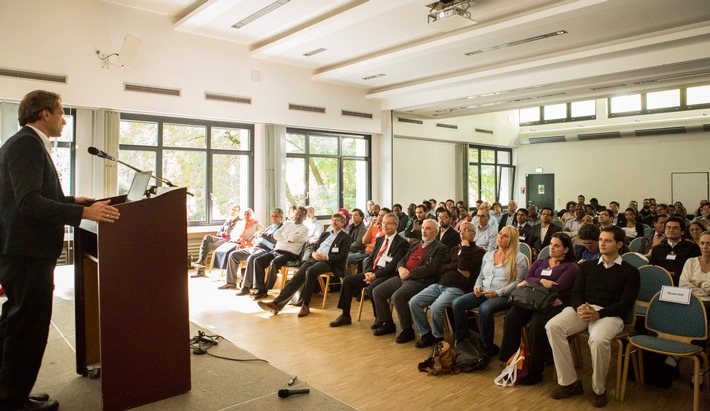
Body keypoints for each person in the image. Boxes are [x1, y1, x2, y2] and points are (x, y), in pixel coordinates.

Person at [0, 90, 121, 411]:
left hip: (22, 250)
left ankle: (10, 393)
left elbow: (32, 198)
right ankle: (13, 401)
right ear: (43, 114)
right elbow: (28, 203)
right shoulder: (26, 144)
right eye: (61, 112)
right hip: (27, 252)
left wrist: (73, 201)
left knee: (16, 321)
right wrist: (84, 213)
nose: (64, 120)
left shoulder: (24, 142)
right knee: (28, 326)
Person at [545, 226, 640, 408]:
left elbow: (625, 303)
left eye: (608, 240)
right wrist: (580, 307)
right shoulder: (587, 266)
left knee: (597, 340)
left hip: (610, 313)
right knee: (553, 326)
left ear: (619, 244)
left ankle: (598, 389)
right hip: (585, 309)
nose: (602, 243)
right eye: (601, 240)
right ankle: (569, 382)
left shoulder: (630, 271)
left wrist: (599, 313)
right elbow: (576, 293)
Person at [499, 233, 578, 385]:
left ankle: (536, 371)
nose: (552, 248)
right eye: (551, 244)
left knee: (536, 325)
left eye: (557, 245)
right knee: (511, 317)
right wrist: (541, 280)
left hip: (554, 303)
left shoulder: (571, 267)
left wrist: (536, 282)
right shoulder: (541, 261)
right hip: (532, 300)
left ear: (566, 249)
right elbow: (528, 278)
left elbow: (558, 287)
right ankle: (510, 362)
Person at [451, 226, 528, 355]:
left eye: (505, 236)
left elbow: (519, 282)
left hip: (504, 295)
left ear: (512, 240)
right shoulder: (489, 254)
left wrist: (498, 293)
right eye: (500, 234)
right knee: (457, 303)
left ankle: (487, 347)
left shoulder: (518, 257)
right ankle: (463, 342)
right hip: (484, 291)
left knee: (484, 309)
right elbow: (481, 276)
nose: (500, 237)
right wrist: (477, 286)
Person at [257, 213, 351, 317]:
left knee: (310, 271)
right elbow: (314, 247)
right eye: (333, 220)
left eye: (337, 220)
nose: (334, 222)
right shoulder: (325, 234)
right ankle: (276, 304)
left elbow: (342, 257)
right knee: (297, 276)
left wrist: (326, 257)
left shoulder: (345, 237)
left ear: (342, 223)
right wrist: (313, 253)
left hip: (330, 263)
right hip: (314, 259)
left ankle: (305, 305)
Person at [370, 219, 448, 343]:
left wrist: (410, 273)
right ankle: (388, 323)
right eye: (423, 228)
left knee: (397, 297)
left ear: (436, 232)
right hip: (403, 276)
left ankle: (407, 330)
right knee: (377, 291)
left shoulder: (441, 248)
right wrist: (401, 268)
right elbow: (402, 259)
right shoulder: (415, 244)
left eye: (428, 228)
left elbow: (432, 268)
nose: (424, 231)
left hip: (420, 280)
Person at [409, 222, 485, 348]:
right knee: (414, 302)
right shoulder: (455, 249)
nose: (463, 232)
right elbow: (441, 267)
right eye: (461, 230)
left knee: (435, 308)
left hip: (456, 288)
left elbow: (463, 266)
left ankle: (437, 337)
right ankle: (425, 333)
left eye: (467, 230)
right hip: (439, 284)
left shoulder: (479, 252)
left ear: (474, 234)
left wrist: (464, 249)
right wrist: (455, 266)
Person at [329, 213, 409, 327]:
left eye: (389, 224)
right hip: (373, 272)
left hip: (388, 275)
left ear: (396, 225)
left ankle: (381, 319)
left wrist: (375, 276)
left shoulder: (402, 243)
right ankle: (345, 315)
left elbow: (394, 265)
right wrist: (368, 272)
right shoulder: (380, 239)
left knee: (372, 288)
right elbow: (371, 257)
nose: (385, 226)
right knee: (347, 280)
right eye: (383, 223)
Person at [243, 207, 309, 298]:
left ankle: (265, 289)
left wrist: (284, 237)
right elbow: (275, 235)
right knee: (257, 261)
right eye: (297, 213)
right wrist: (288, 238)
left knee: (274, 263)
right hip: (276, 251)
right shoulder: (287, 223)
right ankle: (260, 289)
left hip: (289, 254)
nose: (297, 216)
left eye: (300, 215)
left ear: (305, 217)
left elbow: (295, 238)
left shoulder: (305, 229)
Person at [219, 208, 283, 290]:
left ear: (281, 218)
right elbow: (260, 237)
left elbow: (275, 243)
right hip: (256, 246)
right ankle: (231, 282)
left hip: (266, 250)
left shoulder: (282, 229)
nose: (274, 218)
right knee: (233, 255)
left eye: (276, 216)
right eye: (272, 216)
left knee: (251, 258)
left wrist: (263, 236)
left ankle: (246, 286)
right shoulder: (270, 227)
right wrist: (257, 238)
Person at [649, 216, 701, 285]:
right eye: (668, 227)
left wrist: (672, 273)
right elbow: (652, 269)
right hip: (660, 282)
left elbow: (695, 270)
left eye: (675, 228)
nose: (671, 230)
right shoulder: (657, 249)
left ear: (682, 232)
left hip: (684, 283)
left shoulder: (692, 248)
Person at [193, 204, 241, 274]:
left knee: (207, 245)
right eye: (232, 209)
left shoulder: (239, 222)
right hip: (221, 239)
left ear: (238, 212)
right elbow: (218, 232)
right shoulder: (228, 220)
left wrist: (226, 234)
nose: (233, 211)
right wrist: (222, 234)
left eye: (235, 210)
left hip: (229, 243)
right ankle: (201, 262)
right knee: (207, 237)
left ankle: (200, 269)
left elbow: (232, 235)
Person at [679, 231, 710, 314]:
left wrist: (699, 284)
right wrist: (706, 292)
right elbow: (683, 286)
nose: (705, 247)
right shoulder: (691, 262)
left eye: (708, 244)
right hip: (691, 301)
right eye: (702, 243)